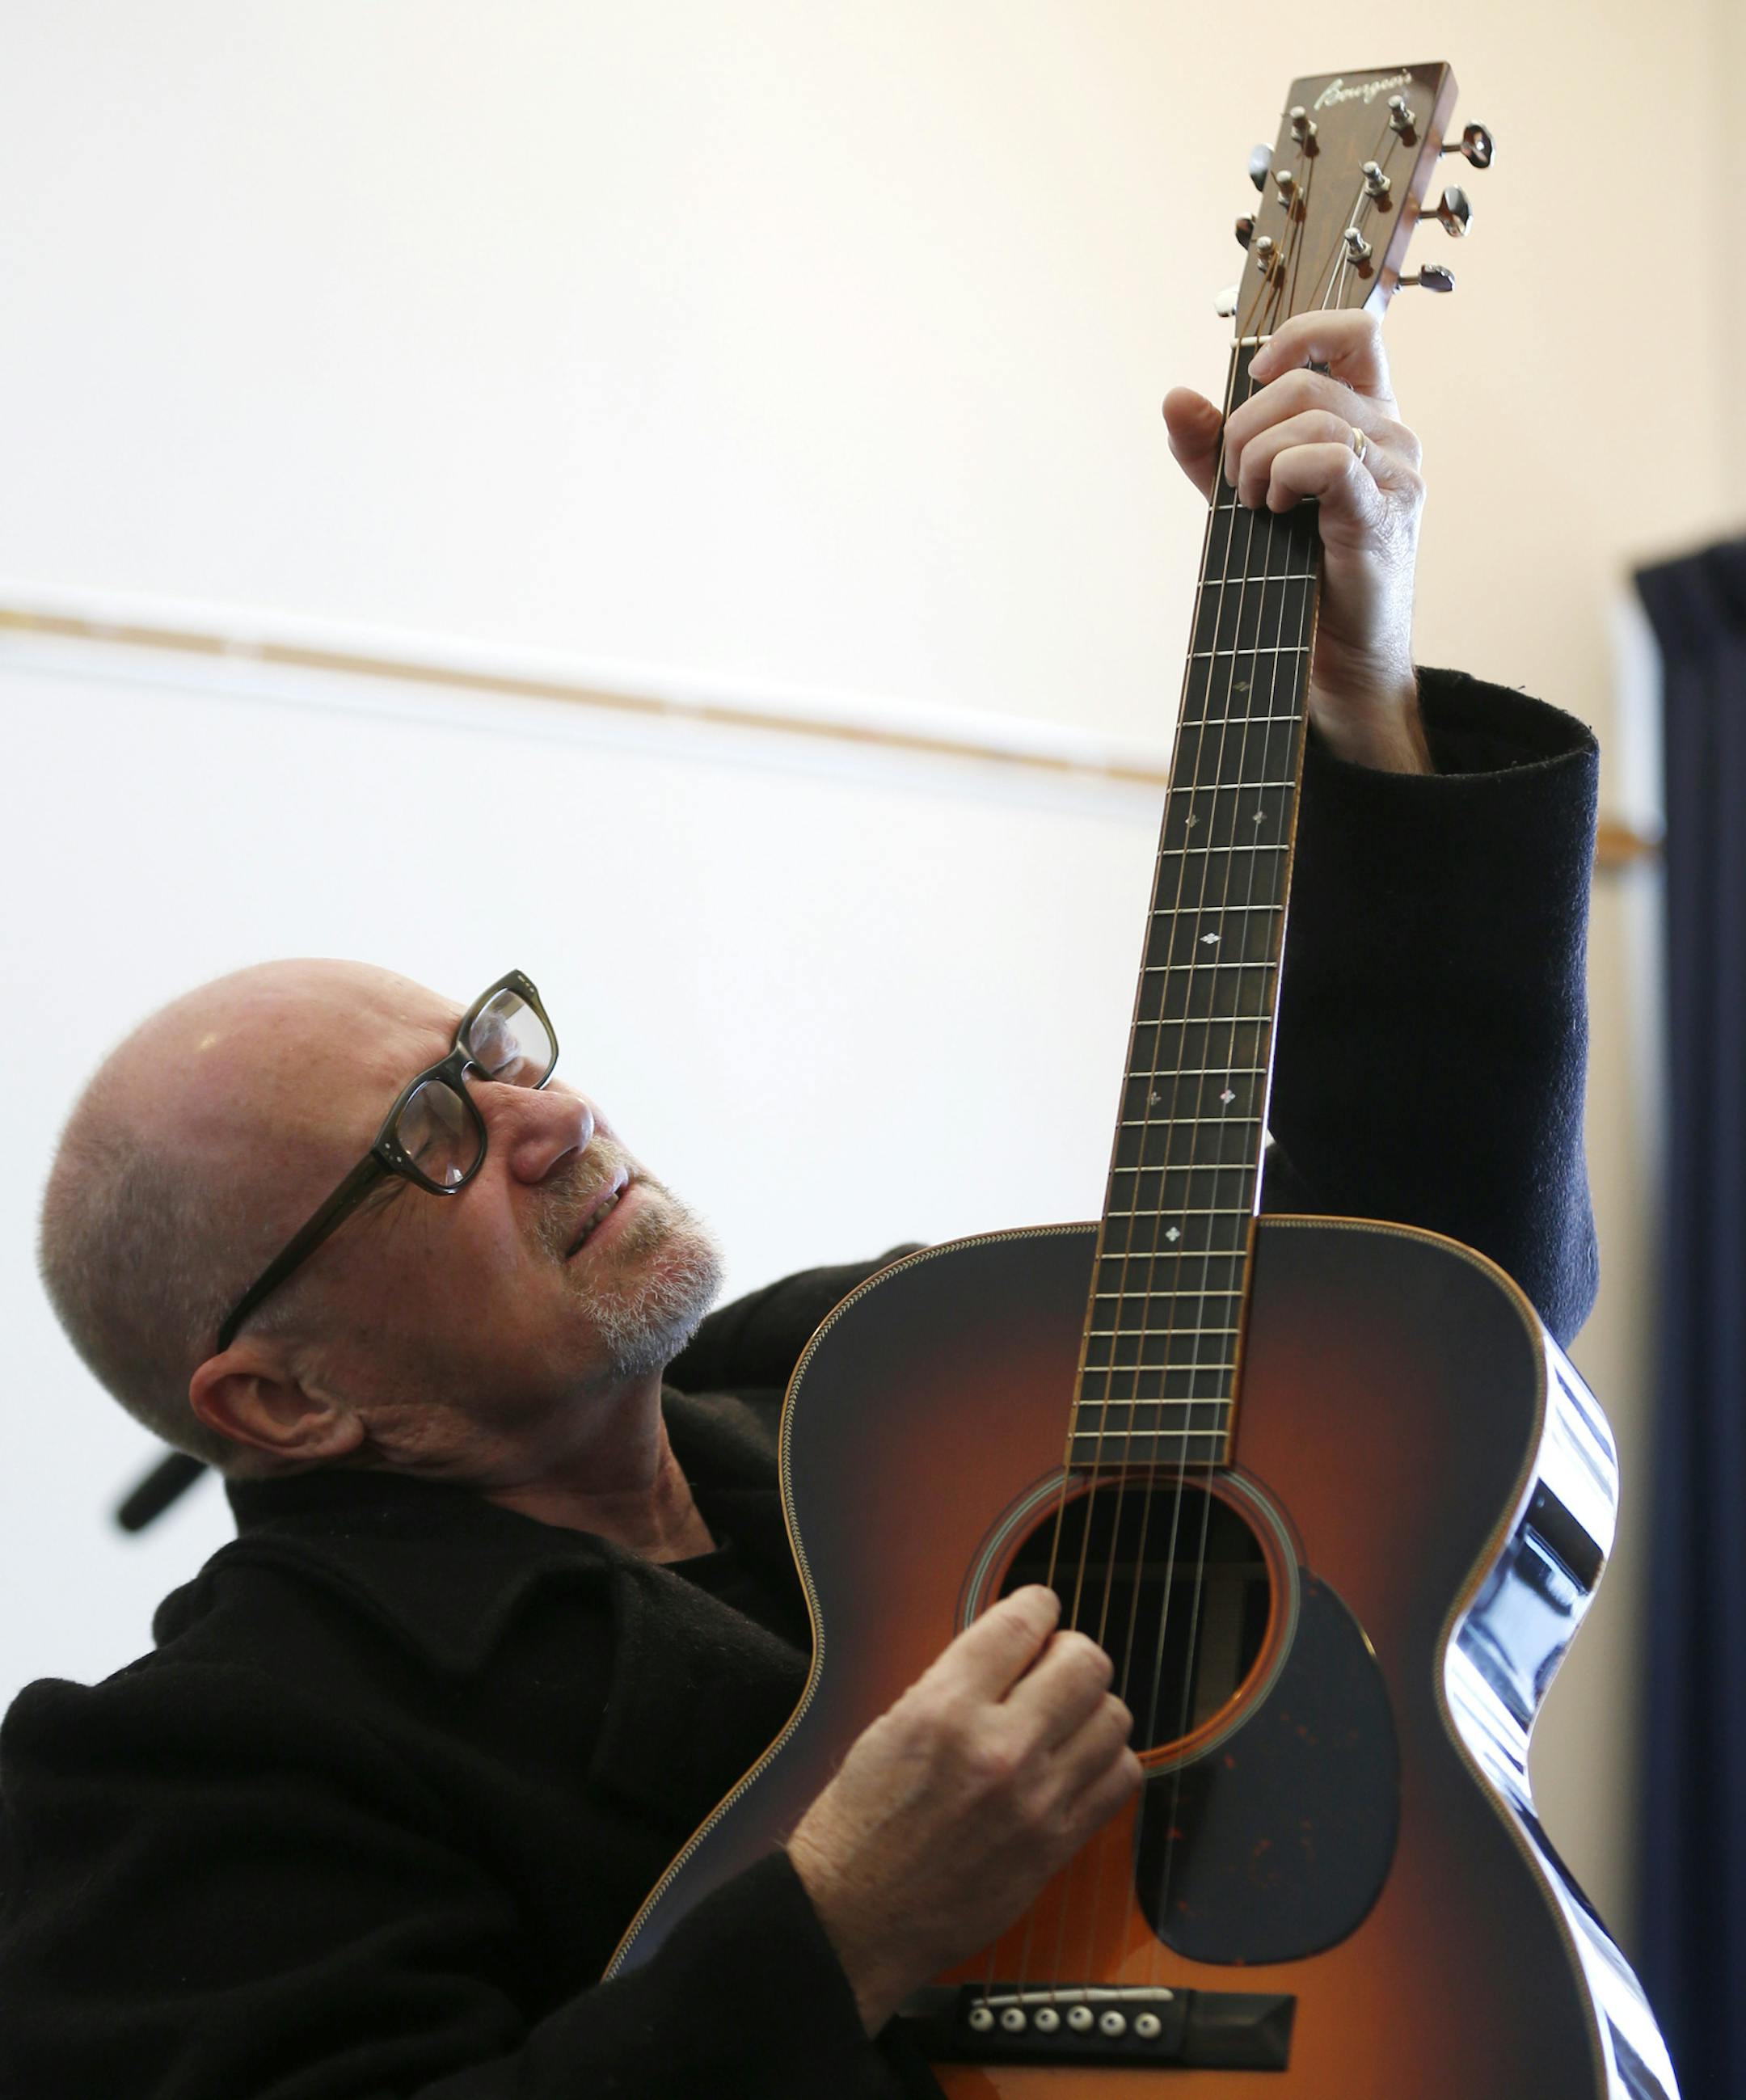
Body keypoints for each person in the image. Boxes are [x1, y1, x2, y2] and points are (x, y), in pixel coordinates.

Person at [0, 310, 1600, 2098]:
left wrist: (1359, 693)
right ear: (286, 1400)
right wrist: (837, 1923)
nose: (553, 1112)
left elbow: (1437, 1322)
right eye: (433, 1137)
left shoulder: (906, 1373)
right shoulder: (198, 1765)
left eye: (499, 1044)